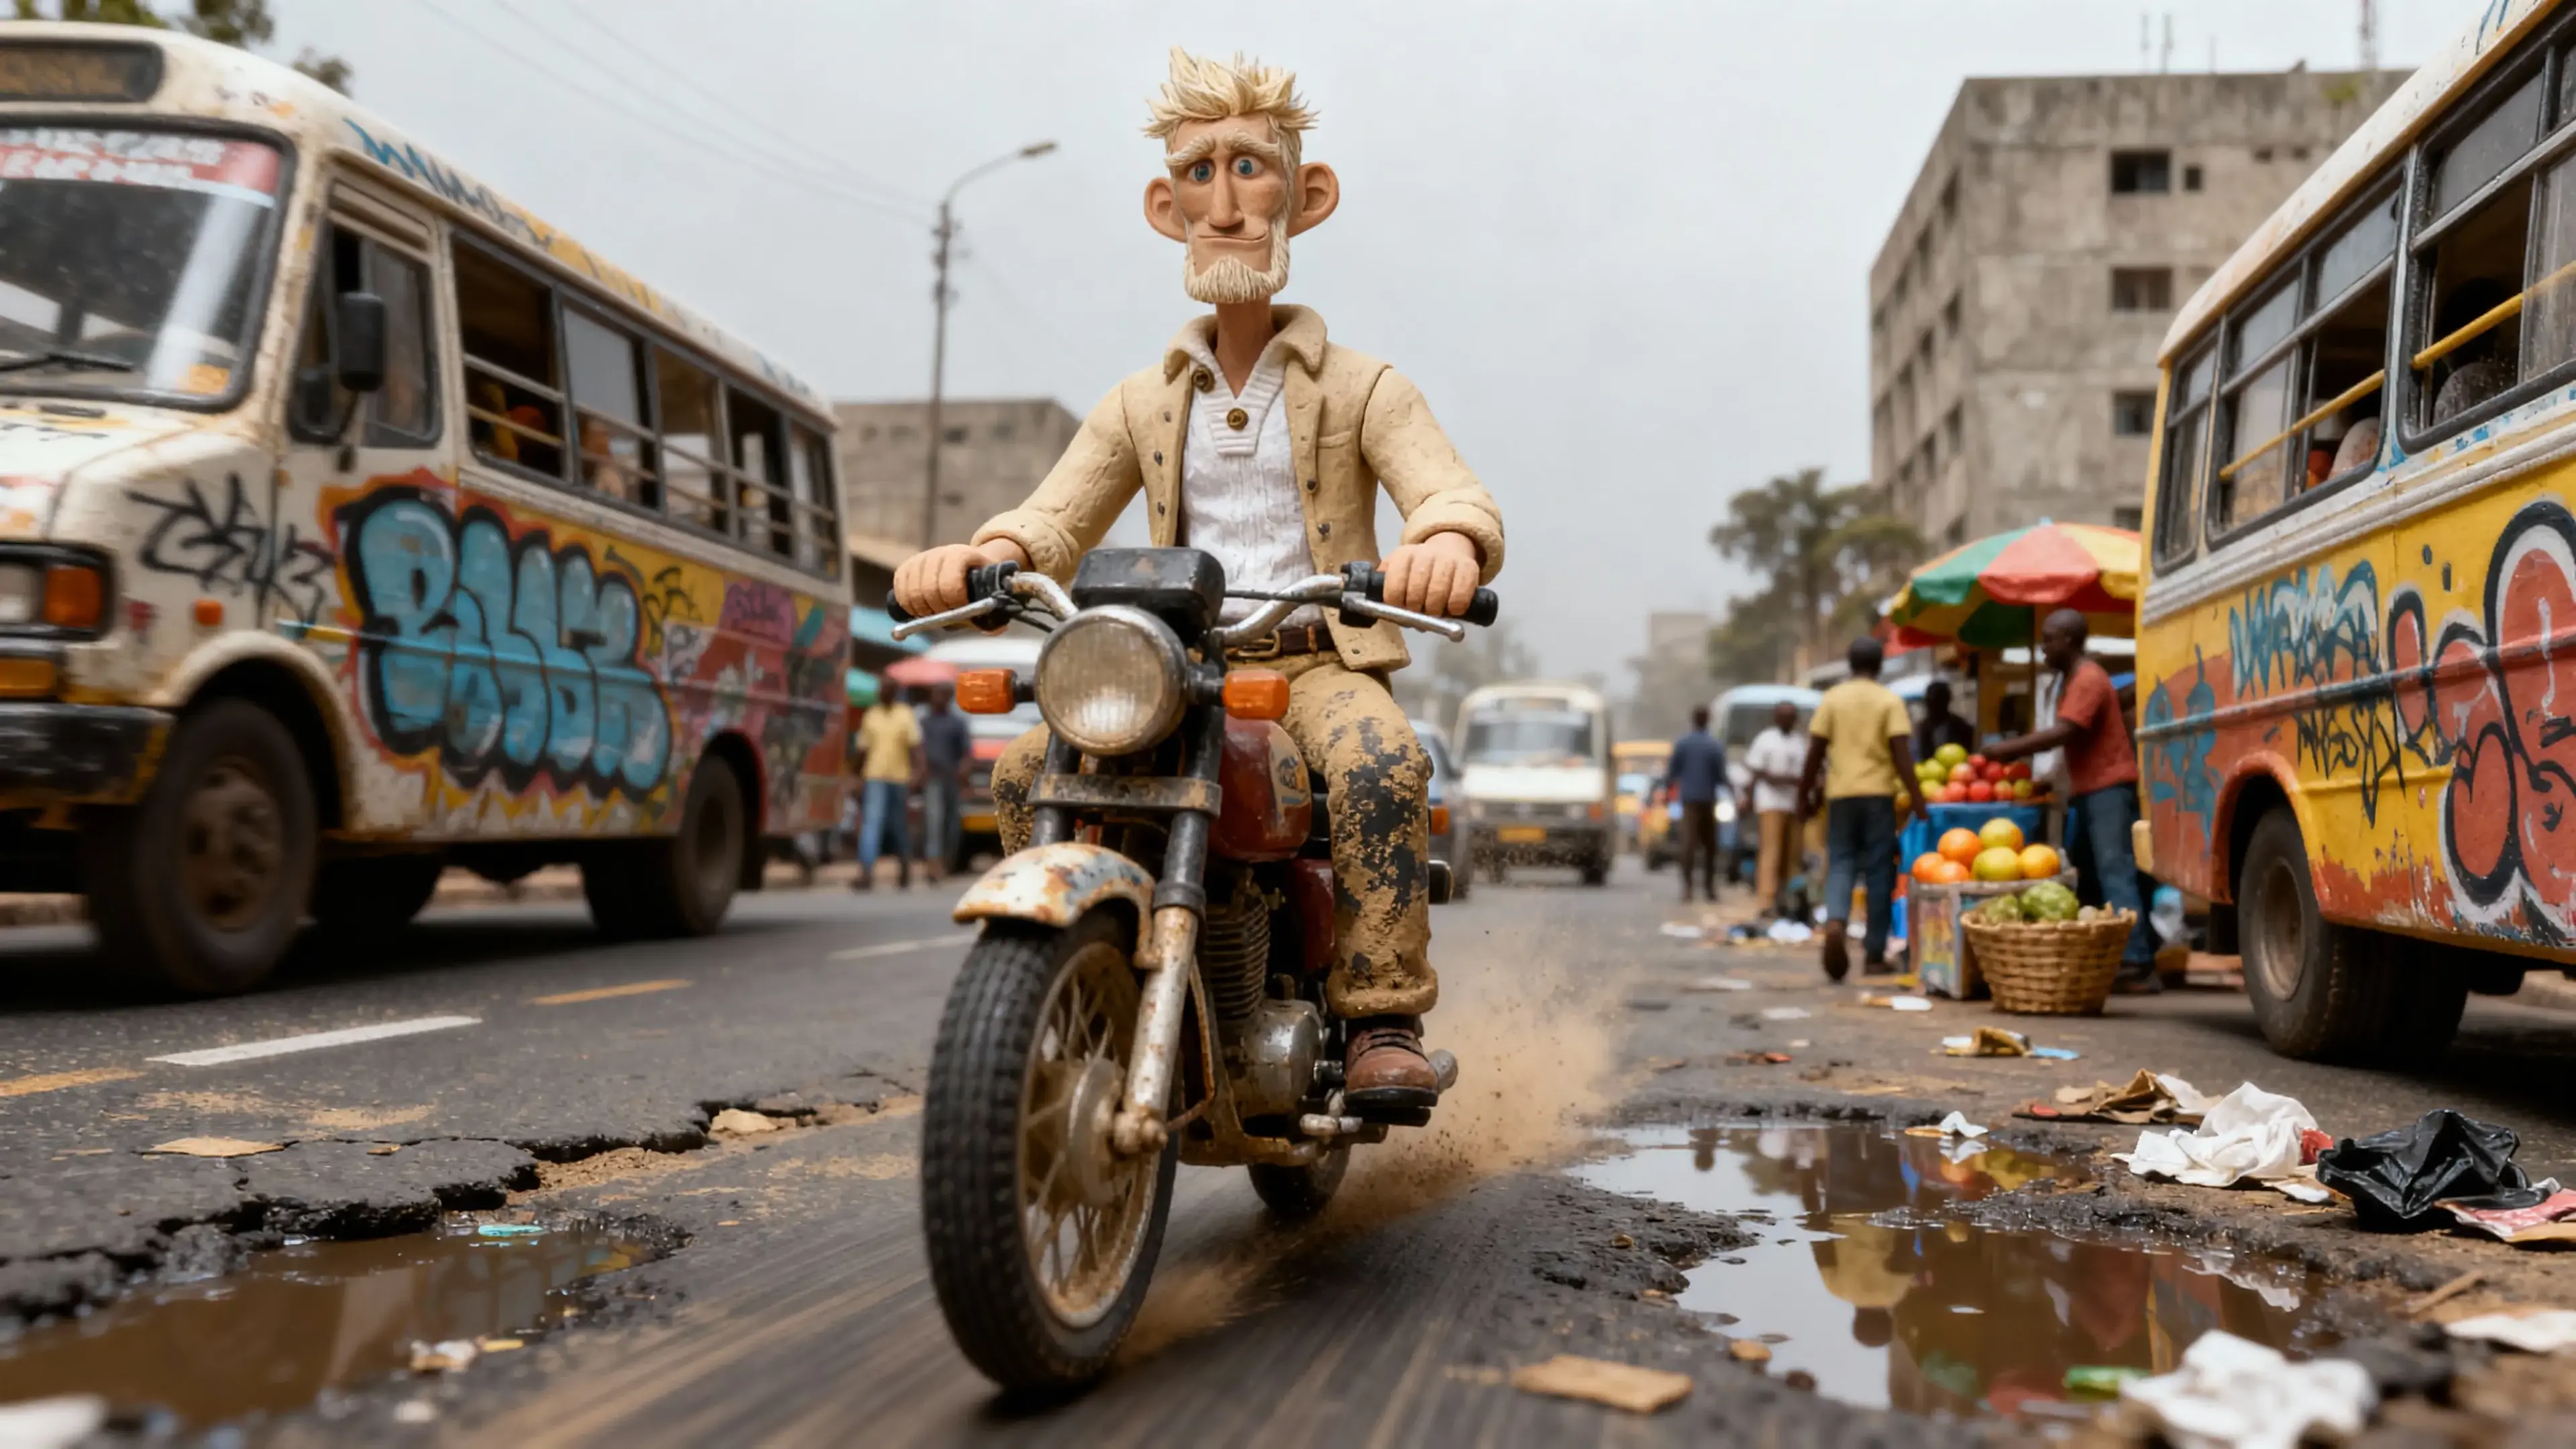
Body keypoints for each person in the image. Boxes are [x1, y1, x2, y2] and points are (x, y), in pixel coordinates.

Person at [890, 49, 1504, 1120]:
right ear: (1164, 206)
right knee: (1027, 766)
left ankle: (1381, 1017)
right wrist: (984, 553)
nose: (1225, 201)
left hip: (1318, 660)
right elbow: (1054, 514)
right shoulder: (1141, 400)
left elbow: (1450, 491)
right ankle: (1077, 975)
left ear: (1304, 197)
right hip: (1171, 667)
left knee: (1382, 765)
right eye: (1200, 173)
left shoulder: (1365, 387)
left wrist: (1444, 544)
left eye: (1251, 169)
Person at [1985, 608, 2157, 991]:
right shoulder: (2073, 679)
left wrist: (2009, 750)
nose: (2042, 646)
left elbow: (2065, 730)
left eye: (2048, 639)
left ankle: (2138, 962)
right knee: (2086, 875)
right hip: (2089, 790)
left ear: (2069, 640)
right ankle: (2105, 954)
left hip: (2107, 789)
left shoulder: (2087, 679)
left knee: (2115, 872)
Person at [1797, 638, 1919, 981]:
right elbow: (1901, 754)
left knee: (1841, 863)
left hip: (1841, 796)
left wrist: (1804, 797)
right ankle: (1875, 954)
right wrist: (1918, 800)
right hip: (1879, 795)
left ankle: (1836, 919)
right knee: (1880, 872)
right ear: (1879, 665)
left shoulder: (1833, 699)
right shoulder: (1889, 700)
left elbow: (1815, 752)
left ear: (1850, 664)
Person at [853, 676, 919, 891]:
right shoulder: (871, 715)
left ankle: (905, 870)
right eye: (882, 688)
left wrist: (919, 773)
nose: (885, 692)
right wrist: (855, 777)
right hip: (875, 777)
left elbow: (915, 747)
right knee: (872, 824)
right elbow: (862, 750)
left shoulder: (905, 714)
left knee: (899, 826)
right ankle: (866, 872)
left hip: (900, 778)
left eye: (889, 688)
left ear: (896, 691)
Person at [1741, 700, 1807, 912]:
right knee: (1771, 852)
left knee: (1792, 855)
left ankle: (1787, 899)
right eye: (1783, 715)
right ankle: (1766, 901)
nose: (1787, 720)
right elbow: (1755, 771)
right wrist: (1749, 798)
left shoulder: (1800, 743)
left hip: (1793, 805)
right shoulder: (1765, 740)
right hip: (1770, 803)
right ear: (1776, 717)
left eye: (1791, 716)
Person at [1664, 706, 1726, 903]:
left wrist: (1667, 793)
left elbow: (1672, 773)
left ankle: (1688, 889)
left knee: (1688, 846)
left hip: (1689, 802)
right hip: (1708, 800)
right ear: (1708, 720)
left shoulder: (1683, 744)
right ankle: (1709, 889)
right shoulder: (1714, 745)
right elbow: (1722, 776)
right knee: (1710, 847)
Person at [916, 682, 971, 880]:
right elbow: (918, 748)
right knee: (934, 821)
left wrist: (964, 774)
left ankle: (948, 861)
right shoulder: (925, 721)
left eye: (943, 695)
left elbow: (966, 752)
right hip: (933, 778)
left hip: (952, 778)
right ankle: (934, 863)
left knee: (951, 824)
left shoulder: (957, 723)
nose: (938, 698)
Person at [1912, 678, 1976, 763]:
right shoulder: (1922, 728)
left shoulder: (1962, 727)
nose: (1933, 707)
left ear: (1947, 701)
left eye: (1938, 702)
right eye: (1930, 702)